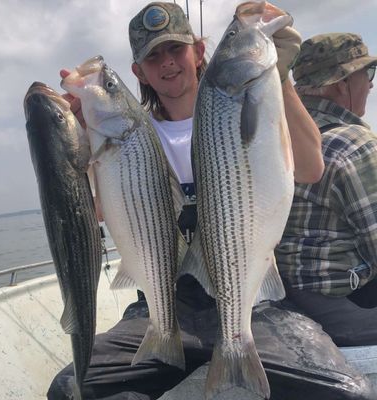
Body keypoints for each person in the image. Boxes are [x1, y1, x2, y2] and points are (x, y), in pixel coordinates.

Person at [48, 4, 375, 400]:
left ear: (198, 53)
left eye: (176, 49)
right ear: (138, 72)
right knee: (70, 388)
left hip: (254, 302)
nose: (167, 62)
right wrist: (80, 138)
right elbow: (99, 211)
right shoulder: (131, 136)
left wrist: (280, 77)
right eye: (153, 56)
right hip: (164, 307)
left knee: (348, 392)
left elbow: (309, 168)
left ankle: (236, 349)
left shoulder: (251, 104)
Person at [275, 32, 377, 347]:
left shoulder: (277, 138)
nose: (371, 84)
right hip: (340, 306)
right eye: (367, 73)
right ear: (341, 84)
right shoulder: (354, 144)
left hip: (288, 299)